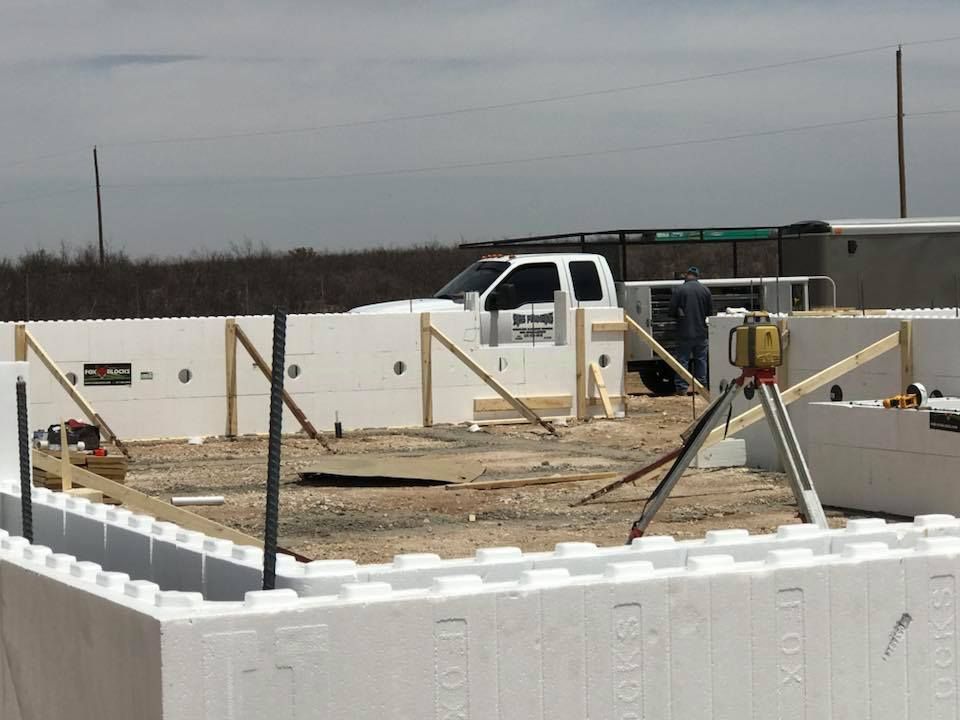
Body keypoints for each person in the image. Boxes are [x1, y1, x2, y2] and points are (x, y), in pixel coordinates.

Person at [669, 266, 713, 395]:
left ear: (687, 275)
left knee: (683, 360)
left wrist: (679, 314)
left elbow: (671, 311)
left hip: (684, 331)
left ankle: (681, 388)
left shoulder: (680, 290)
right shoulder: (705, 290)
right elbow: (710, 312)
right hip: (701, 332)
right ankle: (701, 387)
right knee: (701, 360)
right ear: (697, 276)